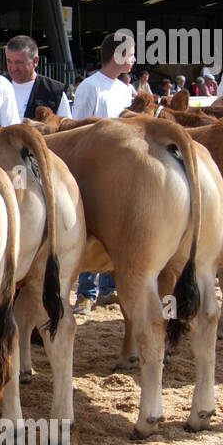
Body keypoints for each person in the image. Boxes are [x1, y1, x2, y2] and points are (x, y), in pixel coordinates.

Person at [70, 32, 136, 315]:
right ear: (119, 56)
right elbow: (75, 128)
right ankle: (86, 291)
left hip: (121, 169)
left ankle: (110, 287)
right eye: (130, 53)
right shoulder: (90, 86)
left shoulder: (126, 90)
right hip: (94, 168)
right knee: (91, 226)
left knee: (117, 228)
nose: (133, 59)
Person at [5, 34, 70, 123]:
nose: (13, 68)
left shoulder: (54, 92)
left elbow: (66, 131)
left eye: (19, 62)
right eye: (9, 61)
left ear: (35, 61)